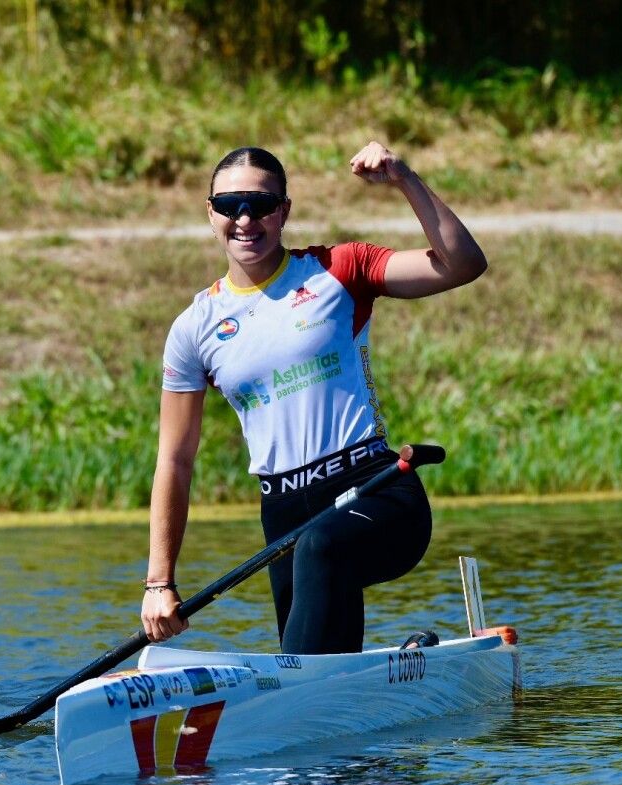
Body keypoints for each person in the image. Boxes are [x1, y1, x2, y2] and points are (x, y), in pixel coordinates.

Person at [141, 141, 487, 655]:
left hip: (377, 490)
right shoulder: (194, 329)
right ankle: (370, 685)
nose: (245, 219)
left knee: (321, 549)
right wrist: (159, 583)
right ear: (209, 214)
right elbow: (175, 460)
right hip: (284, 510)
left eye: (260, 205)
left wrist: (402, 177)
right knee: (316, 659)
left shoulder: (342, 269)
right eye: (229, 206)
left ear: (284, 210)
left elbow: (462, 264)